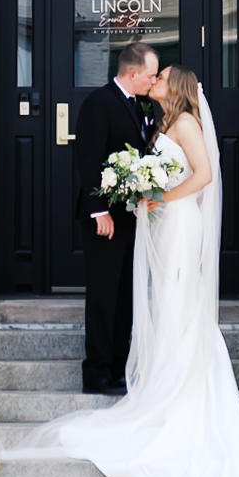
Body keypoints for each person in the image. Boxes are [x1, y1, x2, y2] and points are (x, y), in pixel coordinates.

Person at [14, 64, 239, 477]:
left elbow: (204, 176)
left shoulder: (186, 123)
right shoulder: (164, 121)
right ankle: (163, 387)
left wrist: (159, 198)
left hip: (181, 224)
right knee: (166, 303)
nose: (155, 82)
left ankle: (181, 397)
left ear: (177, 88)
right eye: (154, 75)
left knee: (177, 303)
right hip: (167, 223)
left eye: (162, 77)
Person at [73, 41, 161, 396]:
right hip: (104, 218)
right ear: (133, 73)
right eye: (151, 75)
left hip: (129, 216)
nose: (153, 82)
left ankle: (119, 366)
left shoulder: (141, 105)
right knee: (103, 294)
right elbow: (89, 158)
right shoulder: (99, 103)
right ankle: (96, 371)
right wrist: (98, 210)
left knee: (126, 294)